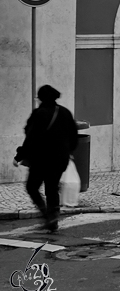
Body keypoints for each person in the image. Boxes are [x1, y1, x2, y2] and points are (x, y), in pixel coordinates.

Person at [16, 86, 78, 232]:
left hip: (41, 159)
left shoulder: (39, 114)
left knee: (32, 187)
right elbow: (74, 137)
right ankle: (53, 217)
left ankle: (46, 214)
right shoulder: (65, 112)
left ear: (41, 98)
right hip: (60, 160)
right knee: (52, 187)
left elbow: (30, 137)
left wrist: (19, 155)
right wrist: (67, 151)